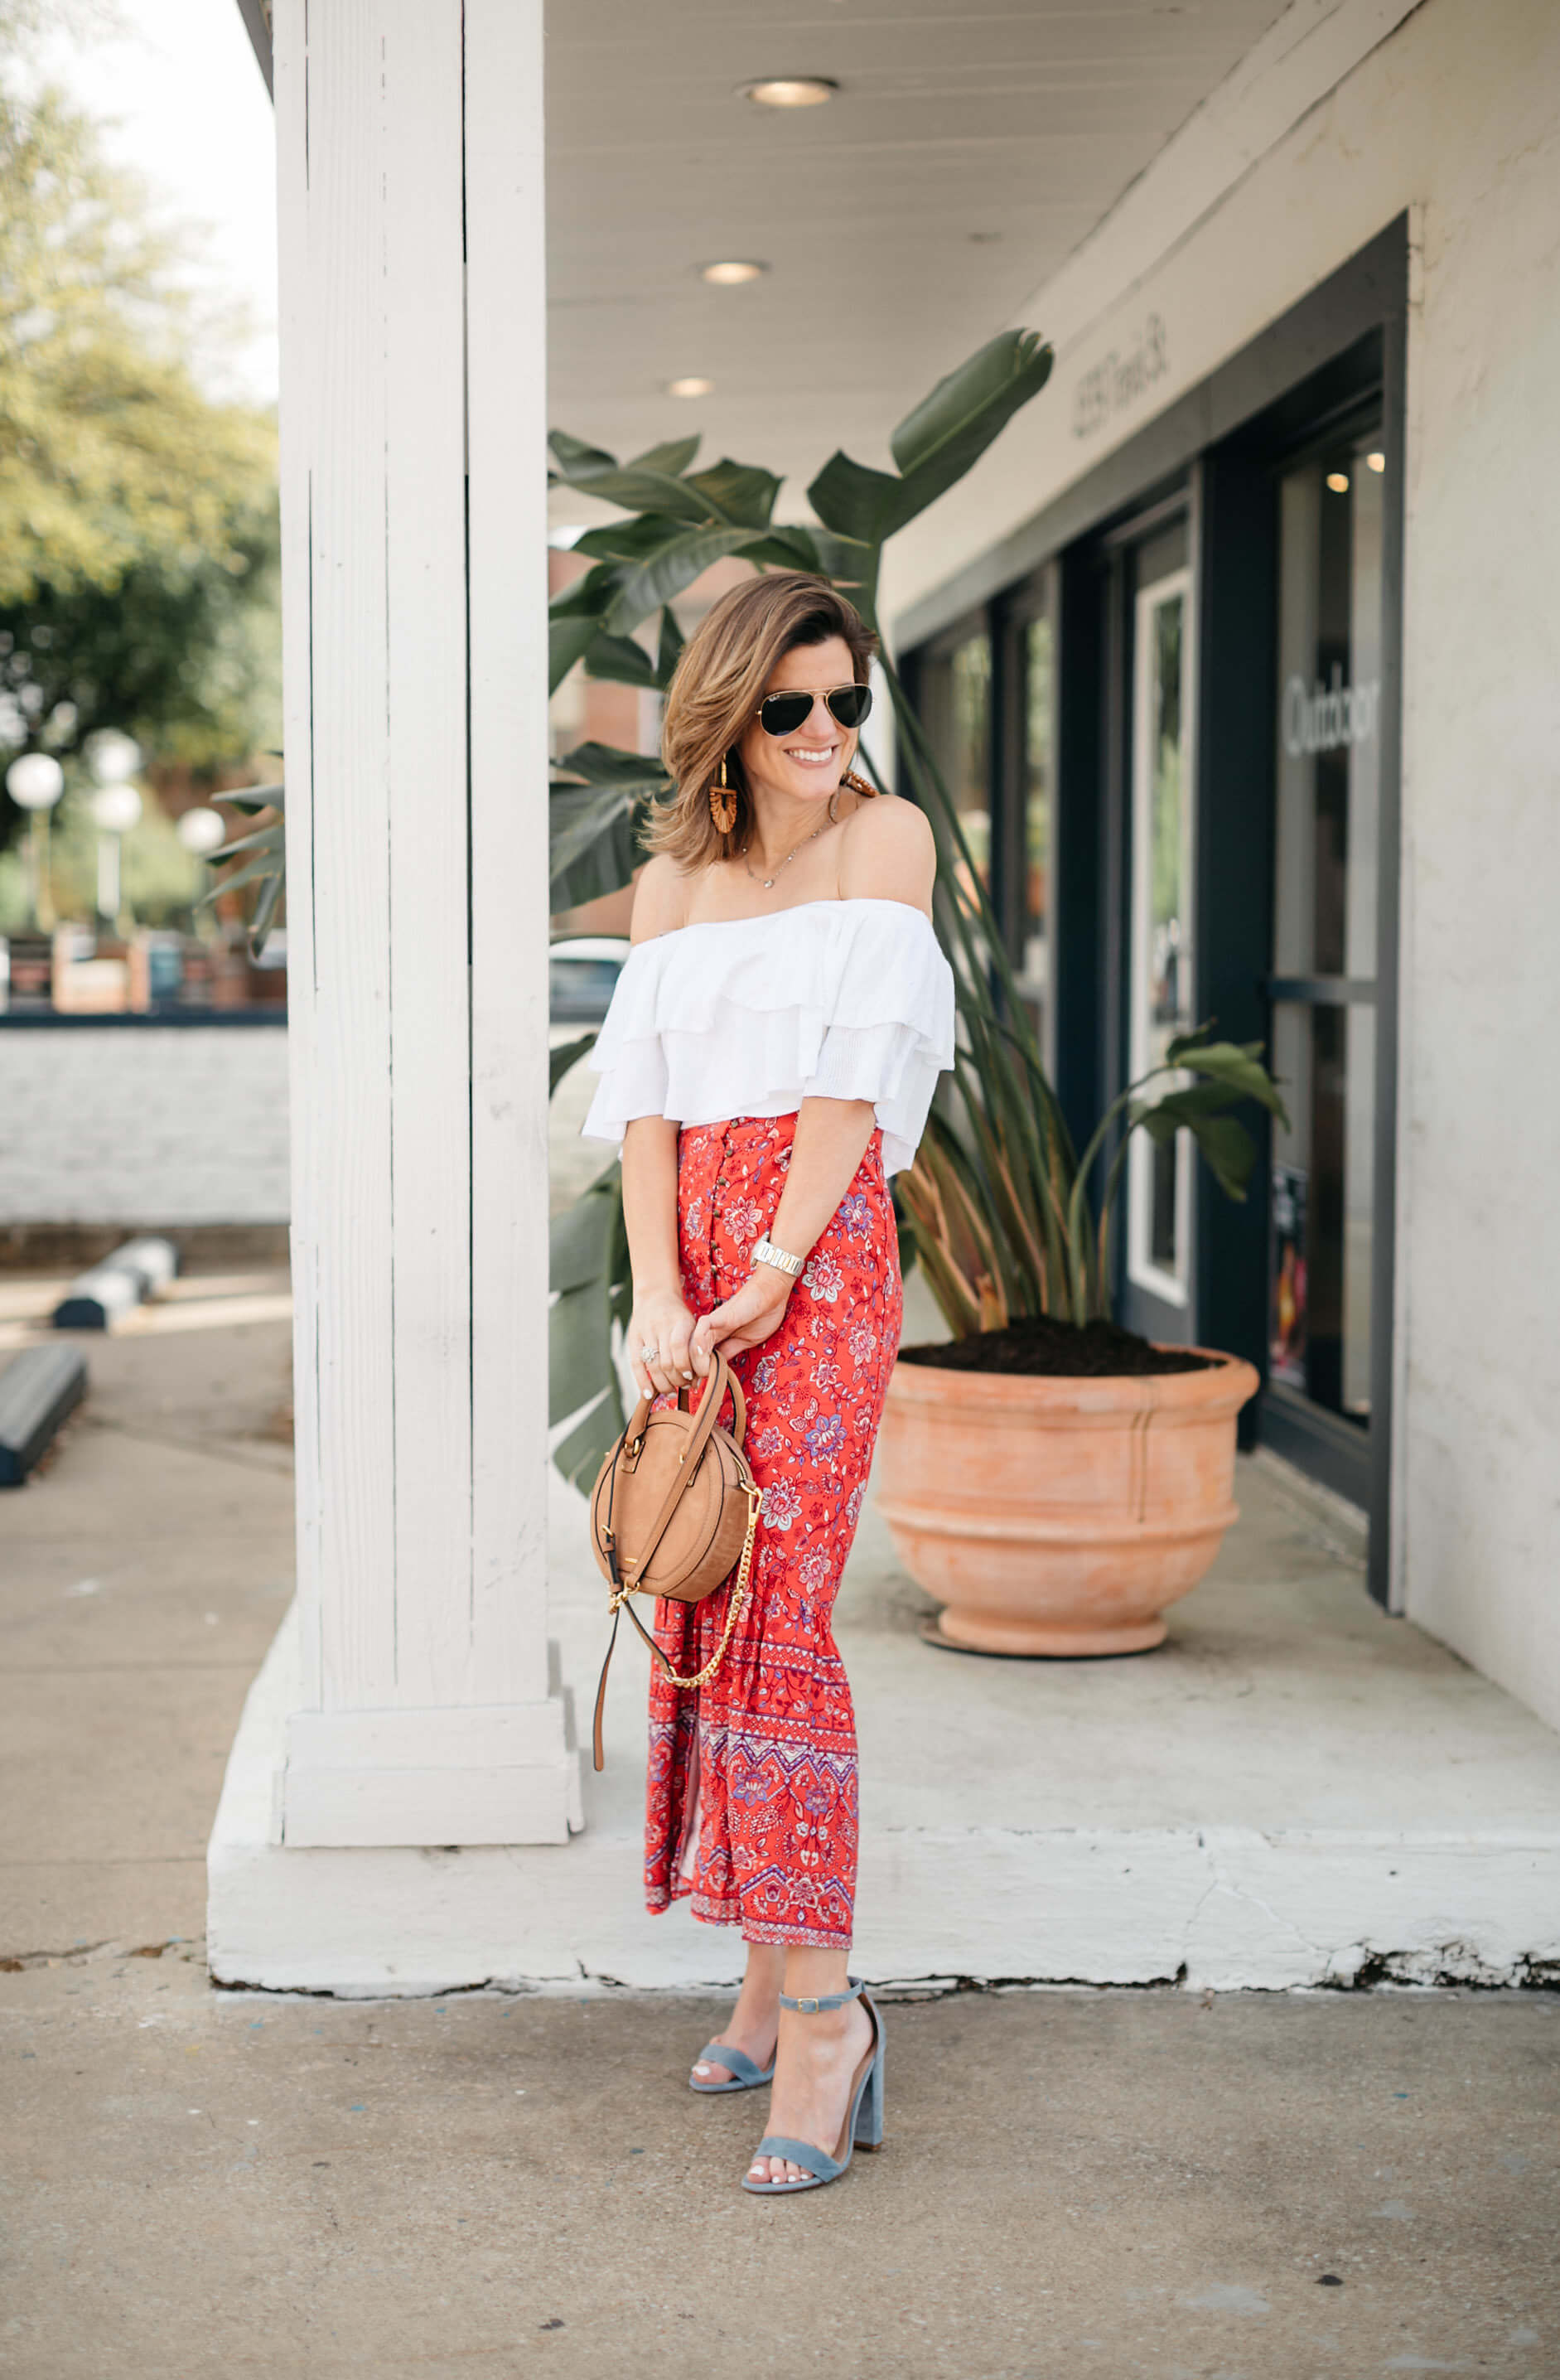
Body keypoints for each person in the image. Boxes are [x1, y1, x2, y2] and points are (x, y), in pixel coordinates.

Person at [582, 571, 954, 2193]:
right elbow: (645, 1113)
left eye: (846, 700)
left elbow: (847, 1085)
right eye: (791, 705)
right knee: (708, 1591)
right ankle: (757, 1960)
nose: (824, 734)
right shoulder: (672, 879)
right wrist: (665, 1291)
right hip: (700, 1266)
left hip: (816, 1253)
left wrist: (770, 1271)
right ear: (731, 713)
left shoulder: (884, 842)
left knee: (785, 1612)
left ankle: (824, 2014)